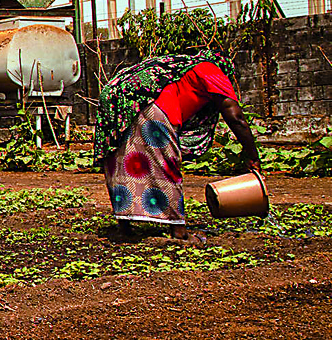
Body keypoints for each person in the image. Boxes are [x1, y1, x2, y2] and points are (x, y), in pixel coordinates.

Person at [93, 50, 260, 238]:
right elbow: (236, 117)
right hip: (155, 109)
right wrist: (252, 156)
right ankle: (178, 230)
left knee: (124, 161)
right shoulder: (212, 71)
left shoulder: (183, 68)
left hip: (125, 105)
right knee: (167, 165)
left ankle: (124, 227)